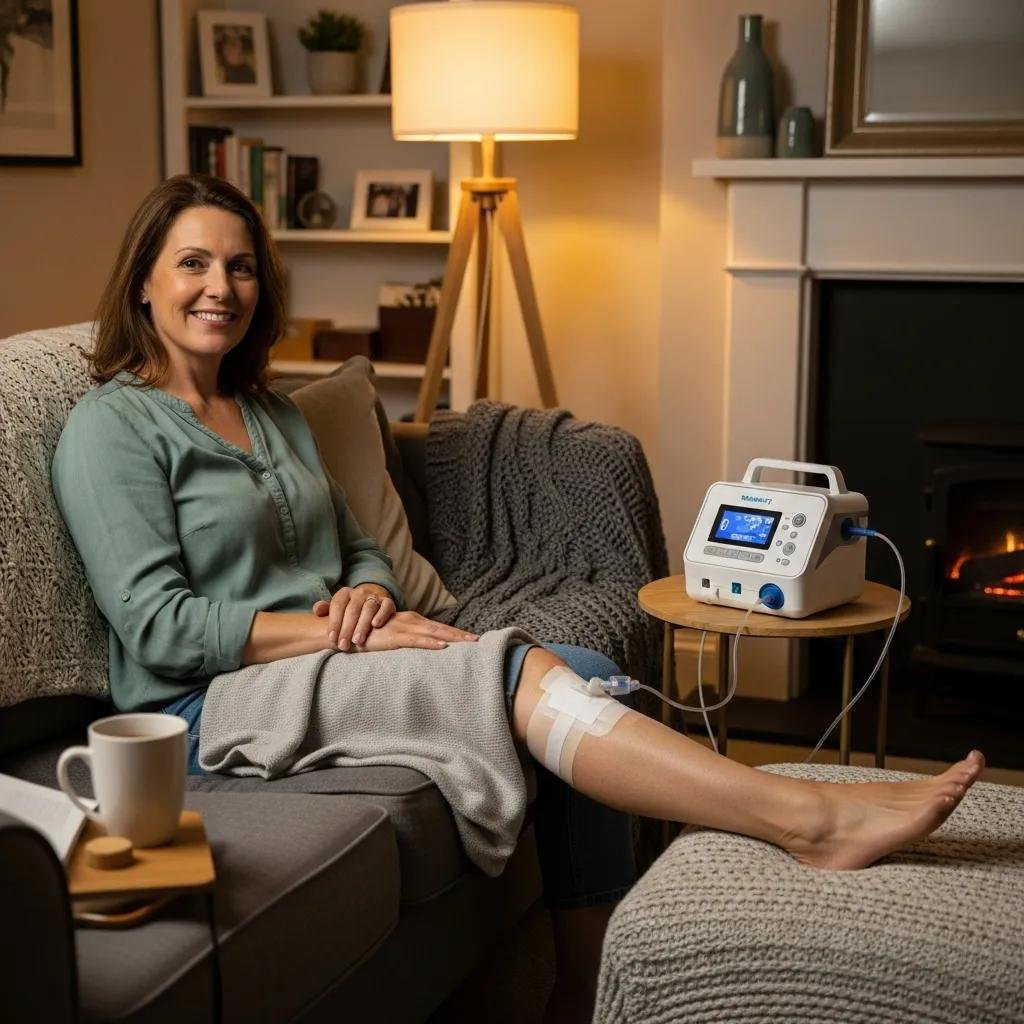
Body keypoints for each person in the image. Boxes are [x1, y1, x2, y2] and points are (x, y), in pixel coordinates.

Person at [51, 175, 984, 1024]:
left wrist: (369, 601)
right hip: (211, 704)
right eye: (194, 263)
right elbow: (157, 626)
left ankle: (584, 985)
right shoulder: (112, 425)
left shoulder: (274, 415)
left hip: (327, 658)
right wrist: (341, 632)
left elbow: (361, 550)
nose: (221, 286)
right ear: (144, 281)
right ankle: (804, 817)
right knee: (520, 670)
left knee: (588, 674)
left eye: (241, 266)